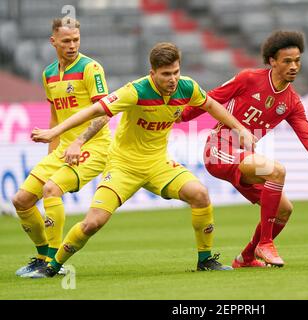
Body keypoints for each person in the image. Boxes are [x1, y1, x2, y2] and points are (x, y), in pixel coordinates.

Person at [28, 42, 256, 277]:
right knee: (92, 223)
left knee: (199, 194)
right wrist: (57, 134)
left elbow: (210, 105)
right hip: (123, 167)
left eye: (176, 72)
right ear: (153, 73)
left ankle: (206, 260)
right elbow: (95, 111)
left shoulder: (187, 87)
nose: (173, 79)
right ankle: (52, 266)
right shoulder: (135, 91)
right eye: (166, 74)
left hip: (158, 164)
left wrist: (239, 128)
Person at [179, 30, 308, 268]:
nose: (294, 66)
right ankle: (265, 243)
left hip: (244, 156)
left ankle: (245, 257)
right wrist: (180, 115)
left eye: (297, 60)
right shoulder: (248, 79)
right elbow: (211, 99)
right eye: (287, 61)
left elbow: (306, 133)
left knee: (285, 209)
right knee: (277, 171)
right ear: (272, 61)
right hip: (218, 148)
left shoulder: (292, 102)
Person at [12, 17, 111, 277]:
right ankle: (41, 255)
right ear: (53, 41)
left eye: (76, 40)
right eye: (66, 41)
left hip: (94, 146)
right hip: (63, 149)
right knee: (21, 200)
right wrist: (52, 152)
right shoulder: (48, 74)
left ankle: (53, 264)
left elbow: (104, 113)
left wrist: (79, 141)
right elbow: (56, 115)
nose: (72, 45)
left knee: (50, 189)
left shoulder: (91, 68)